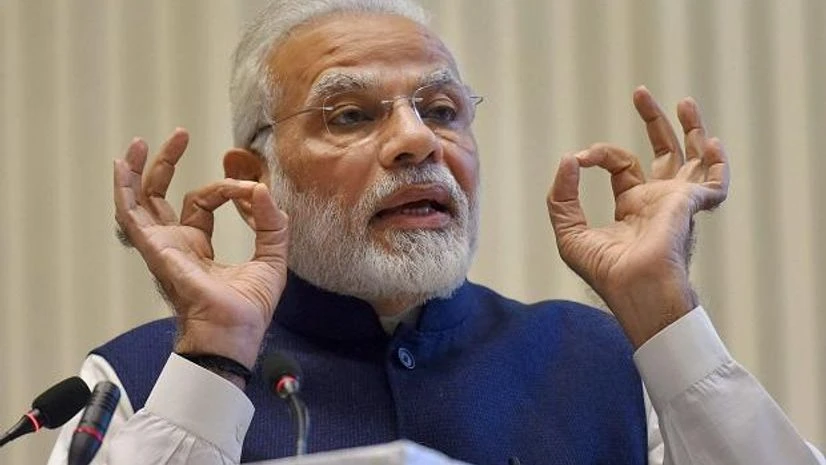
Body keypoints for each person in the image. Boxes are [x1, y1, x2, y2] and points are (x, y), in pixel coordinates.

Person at [48, 0, 824, 464]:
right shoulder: (138, 379)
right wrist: (216, 352)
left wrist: (664, 314)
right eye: (351, 115)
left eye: (443, 109)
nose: (417, 141)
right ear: (256, 178)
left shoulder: (604, 364)